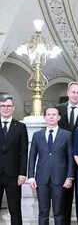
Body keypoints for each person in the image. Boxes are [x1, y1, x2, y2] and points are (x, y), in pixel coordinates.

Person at [28, 107, 75, 225]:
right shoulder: (37, 135)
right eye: (48, 114)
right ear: (44, 117)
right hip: (41, 179)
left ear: (59, 117)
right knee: (43, 212)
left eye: (54, 114)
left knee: (59, 212)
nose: (51, 117)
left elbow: (70, 157)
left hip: (60, 178)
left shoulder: (67, 135)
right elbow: (32, 156)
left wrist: (69, 176)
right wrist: (31, 176)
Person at [56, 82, 78, 225]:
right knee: (64, 198)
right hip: (63, 159)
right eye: (73, 92)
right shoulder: (58, 110)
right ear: (68, 93)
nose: (75, 95)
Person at [0, 94, 28, 225]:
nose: (5, 108)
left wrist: (23, 173)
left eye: (8, 106)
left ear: (13, 107)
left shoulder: (20, 127)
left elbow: (23, 152)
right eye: (3, 106)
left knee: (15, 210)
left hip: (14, 175)